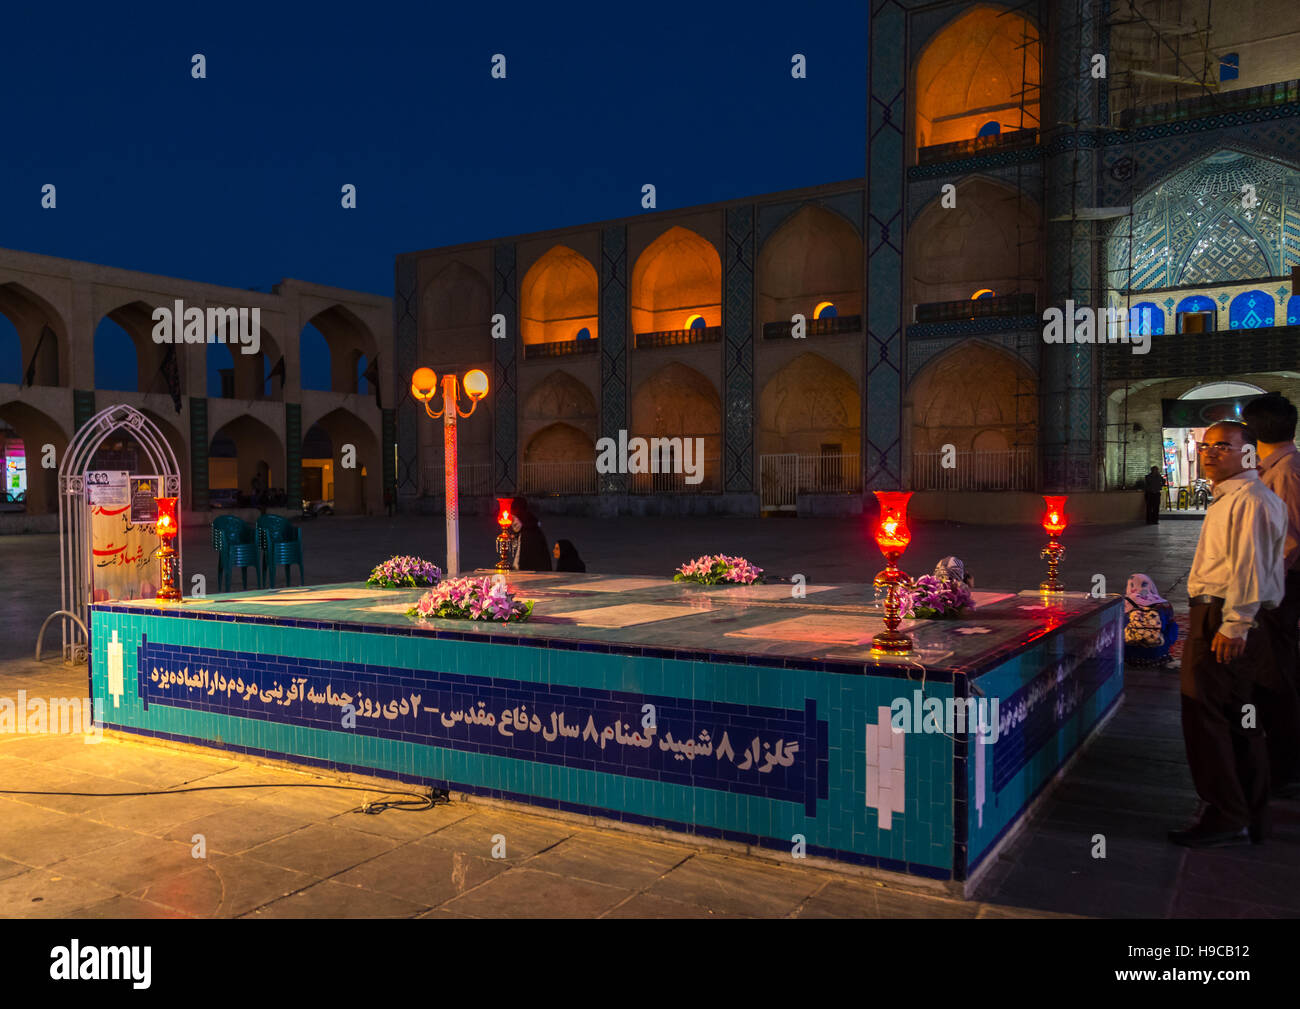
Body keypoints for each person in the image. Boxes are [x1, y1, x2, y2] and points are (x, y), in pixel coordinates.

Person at [1171, 420, 1286, 847]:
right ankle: (1248, 814)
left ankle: (1225, 813)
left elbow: (1250, 567)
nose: (1210, 453)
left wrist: (1235, 623)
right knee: (1238, 719)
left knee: (1206, 717)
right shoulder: (1232, 499)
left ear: (1249, 453)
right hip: (1224, 618)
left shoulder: (1250, 500)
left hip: (1223, 621)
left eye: (1223, 446)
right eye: (1206, 446)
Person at [1241, 393, 1300, 798]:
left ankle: (1284, 768)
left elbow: (1289, 544)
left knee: (1275, 674)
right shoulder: (1276, 469)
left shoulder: (1286, 474)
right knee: (1270, 672)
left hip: (1277, 590)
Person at [1122, 573, 1179, 667]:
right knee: (1172, 625)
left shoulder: (1124, 604)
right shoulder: (1164, 604)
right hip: (1157, 656)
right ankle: (1159, 650)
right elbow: (1171, 632)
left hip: (1129, 657)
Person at [510, 496, 552, 572]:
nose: (512, 524)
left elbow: (524, 561)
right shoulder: (529, 527)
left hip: (534, 573)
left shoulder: (530, 533)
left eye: (514, 520)